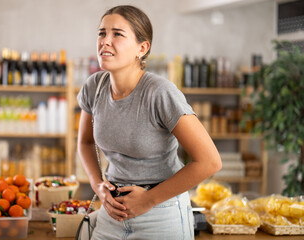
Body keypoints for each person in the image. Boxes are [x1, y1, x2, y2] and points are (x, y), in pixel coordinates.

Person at [77, 5, 222, 240]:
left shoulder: (160, 93)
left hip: (160, 212)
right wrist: (97, 185)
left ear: (142, 48)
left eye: (117, 34)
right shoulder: (94, 87)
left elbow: (209, 162)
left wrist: (148, 199)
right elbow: (84, 143)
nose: (105, 41)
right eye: (102, 33)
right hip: (111, 211)